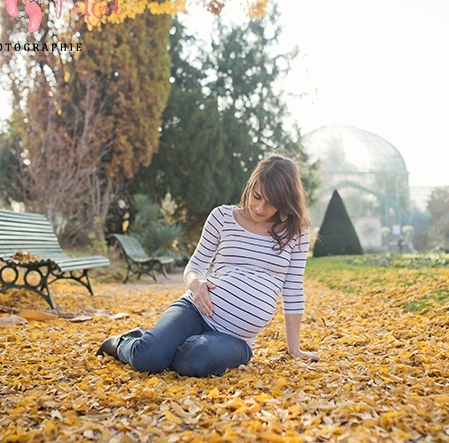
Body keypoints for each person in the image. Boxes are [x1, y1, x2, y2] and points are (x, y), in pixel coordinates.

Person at [96, 154, 319, 377]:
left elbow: (292, 290)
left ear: (285, 202)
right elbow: (195, 265)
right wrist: (196, 284)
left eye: (270, 204)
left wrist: (294, 349)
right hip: (194, 310)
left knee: (194, 362)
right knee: (148, 358)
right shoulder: (222, 217)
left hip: (236, 339)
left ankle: (159, 343)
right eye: (256, 196)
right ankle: (123, 343)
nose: (259, 208)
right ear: (250, 186)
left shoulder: (296, 232)